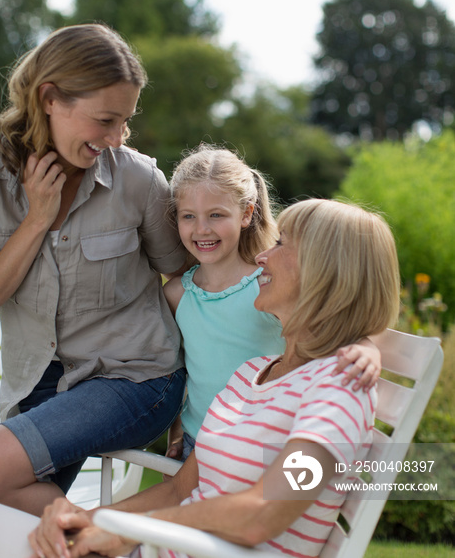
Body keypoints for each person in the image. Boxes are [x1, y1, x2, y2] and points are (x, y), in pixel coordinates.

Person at [21, 197, 400, 558]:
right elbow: (177, 492)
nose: (264, 255)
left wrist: (127, 530)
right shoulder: (252, 374)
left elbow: (263, 515)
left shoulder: (338, 390)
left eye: (283, 244)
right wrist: (86, 522)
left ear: (327, 272)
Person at [0, 23, 187, 516]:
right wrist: (36, 219)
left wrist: (202, 399)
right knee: (17, 530)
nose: (117, 137)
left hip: (134, 377)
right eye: (105, 120)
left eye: (125, 121)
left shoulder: (137, 179)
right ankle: (108, 544)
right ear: (50, 98)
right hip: (39, 380)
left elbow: (190, 281)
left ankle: (107, 538)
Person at [164, 145, 382, 462]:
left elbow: (335, 325)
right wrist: (177, 428)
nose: (202, 229)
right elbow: (176, 372)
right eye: (188, 216)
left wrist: (367, 349)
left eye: (216, 215)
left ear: (247, 214)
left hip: (259, 447)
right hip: (197, 443)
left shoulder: (269, 287)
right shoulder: (177, 294)